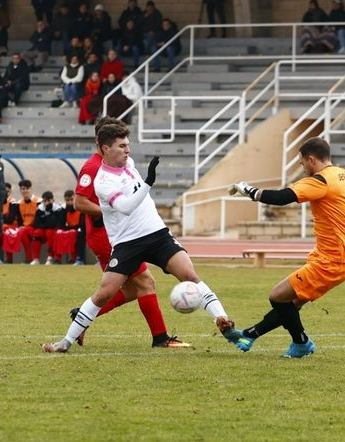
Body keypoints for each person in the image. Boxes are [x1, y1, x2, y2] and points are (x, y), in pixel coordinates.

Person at [44, 119, 231, 352]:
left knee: (188, 274)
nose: (128, 150)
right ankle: (65, 342)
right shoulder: (101, 179)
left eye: (128, 145)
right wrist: (148, 182)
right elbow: (124, 207)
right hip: (126, 242)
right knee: (105, 292)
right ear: (105, 148)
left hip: (157, 233)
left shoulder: (129, 163)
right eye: (122, 146)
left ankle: (223, 320)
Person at [224, 137, 345, 358]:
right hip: (339, 259)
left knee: (277, 296)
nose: (303, 169)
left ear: (311, 159)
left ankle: (301, 343)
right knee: (290, 305)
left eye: (302, 163)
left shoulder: (320, 181)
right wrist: (336, 211)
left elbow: (282, 197)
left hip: (330, 261)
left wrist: (250, 191)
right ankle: (250, 334)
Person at [31, 190, 65, 264]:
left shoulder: (58, 209)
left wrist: (47, 221)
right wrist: (47, 224)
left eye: (48, 200)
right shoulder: (40, 209)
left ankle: (50, 257)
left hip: (53, 230)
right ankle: (36, 259)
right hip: (44, 229)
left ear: (53, 200)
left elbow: (58, 223)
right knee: (36, 233)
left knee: (50, 232)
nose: (46, 203)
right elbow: (36, 224)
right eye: (45, 201)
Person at [54, 189, 86, 265]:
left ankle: (74, 258)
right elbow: (61, 224)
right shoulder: (64, 210)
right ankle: (58, 258)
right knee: (58, 234)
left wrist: (69, 228)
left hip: (80, 230)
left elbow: (82, 225)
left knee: (76, 234)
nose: (69, 202)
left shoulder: (81, 208)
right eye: (67, 200)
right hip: (70, 229)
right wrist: (62, 229)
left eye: (71, 200)